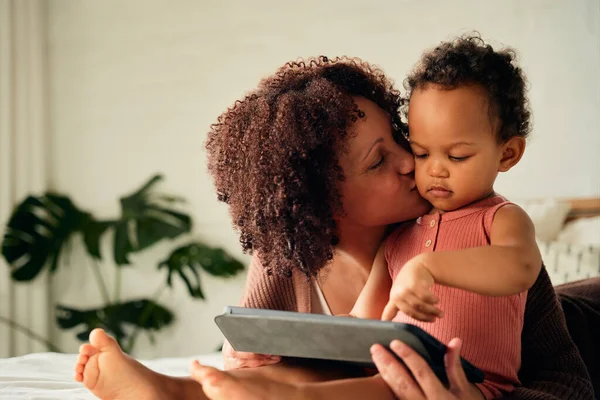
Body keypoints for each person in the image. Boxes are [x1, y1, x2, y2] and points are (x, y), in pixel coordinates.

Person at [73, 43, 595, 399]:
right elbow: (254, 362)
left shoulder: (471, 229)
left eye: (400, 141)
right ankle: (167, 389)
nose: (413, 164)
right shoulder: (288, 258)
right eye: (382, 159)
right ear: (321, 200)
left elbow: (570, 385)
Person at [348, 35, 540, 399]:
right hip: (396, 375)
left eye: (457, 157)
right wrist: (292, 341)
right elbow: (361, 322)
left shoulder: (502, 219)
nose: (435, 170)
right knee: (316, 381)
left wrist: (428, 266)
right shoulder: (398, 237)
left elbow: (520, 266)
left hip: (472, 386)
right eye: (421, 153)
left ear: (508, 153)